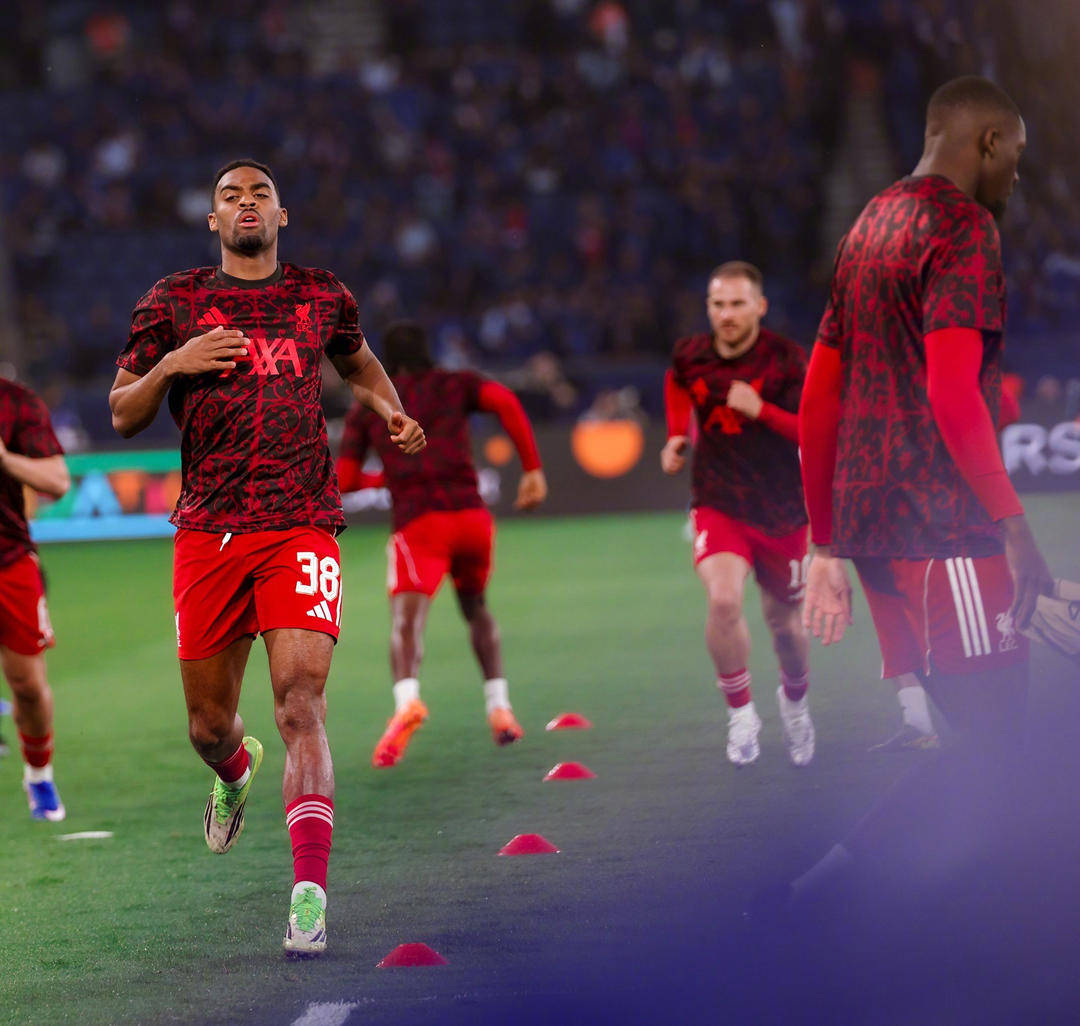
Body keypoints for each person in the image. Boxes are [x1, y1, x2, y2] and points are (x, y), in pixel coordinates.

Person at [109, 159, 425, 957]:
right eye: (230, 196)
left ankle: (308, 897)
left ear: (281, 215)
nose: (245, 203)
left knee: (300, 704)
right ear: (212, 220)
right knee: (208, 726)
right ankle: (232, 772)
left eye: (259, 194)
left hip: (302, 523)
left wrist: (390, 409)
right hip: (208, 532)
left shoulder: (322, 295)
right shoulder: (172, 301)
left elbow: (358, 363)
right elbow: (121, 413)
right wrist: (173, 363)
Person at [793, 76, 1052, 902]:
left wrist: (826, 543)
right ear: (987, 142)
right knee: (998, 748)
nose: (1017, 172)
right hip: (944, 531)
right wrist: (1013, 524)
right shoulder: (963, 227)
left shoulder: (869, 224)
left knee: (987, 749)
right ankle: (825, 894)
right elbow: (950, 390)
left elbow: (818, 397)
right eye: (1016, 153)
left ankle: (919, 905)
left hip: (876, 538)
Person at [336, 321, 547, 767]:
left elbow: (347, 479)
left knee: (406, 621)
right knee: (477, 609)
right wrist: (531, 468)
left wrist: (386, 478)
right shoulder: (456, 384)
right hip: (472, 519)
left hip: (420, 524)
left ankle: (407, 703)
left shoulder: (368, 405)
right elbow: (506, 402)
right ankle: (500, 707)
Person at [661, 262, 814, 767]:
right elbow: (676, 382)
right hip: (718, 501)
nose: (726, 314)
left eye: (737, 304)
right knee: (724, 601)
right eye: (718, 304)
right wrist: (676, 435)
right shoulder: (691, 354)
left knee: (785, 627)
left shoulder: (787, 360)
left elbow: (813, 431)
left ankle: (795, 702)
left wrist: (760, 410)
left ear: (760, 307)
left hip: (783, 510)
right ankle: (741, 713)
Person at [871, 375, 1023, 752]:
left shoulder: (937, 366)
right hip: (880, 526)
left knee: (964, 647)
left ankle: (987, 744)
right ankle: (920, 723)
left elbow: (1005, 408)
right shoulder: (865, 371)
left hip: (941, 525)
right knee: (898, 631)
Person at [0, 377, 71, 819]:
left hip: (8, 561)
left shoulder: (15, 402)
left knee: (27, 686)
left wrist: (4, 458)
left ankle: (39, 775)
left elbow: (58, 481)